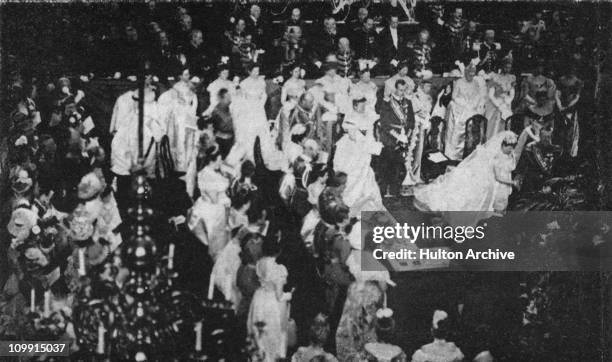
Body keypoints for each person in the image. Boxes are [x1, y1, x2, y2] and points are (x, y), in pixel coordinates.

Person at [414, 130, 528, 226]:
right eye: (510, 148)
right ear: (503, 145)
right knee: (472, 197)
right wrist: (512, 182)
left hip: (488, 177)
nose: (511, 151)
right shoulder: (496, 158)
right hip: (487, 179)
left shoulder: (502, 155)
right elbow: (498, 177)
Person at [333, 105, 383, 216]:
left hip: (363, 170)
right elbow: (339, 164)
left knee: (367, 190)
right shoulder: (343, 143)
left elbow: (371, 148)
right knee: (353, 193)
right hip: (351, 173)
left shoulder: (361, 138)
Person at [158, 66, 199, 196]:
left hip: (188, 128)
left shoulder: (191, 92)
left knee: (188, 156)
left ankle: (188, 189)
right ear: (180, 76)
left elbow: (192, 110)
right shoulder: (171, 93)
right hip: (177, 128)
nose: (188, 77)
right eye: (185, 75)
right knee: (177, 154)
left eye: (188, 74)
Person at [188, 146, 231, 259]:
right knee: (216, 241)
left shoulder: (211, 171)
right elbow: (214, 199)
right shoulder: (207, 175)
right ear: (214, 160)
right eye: (219, 160)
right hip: (212, 209)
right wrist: (227, 200)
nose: (221, 162)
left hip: (214, 207)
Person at [247, 256, 293, 362]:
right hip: (274, 304)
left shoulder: (257, 294)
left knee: (260, 334)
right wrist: (290, 295)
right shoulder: (278, 272)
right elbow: (281, 328)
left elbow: (252, 322)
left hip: (262, 300)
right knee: (276, 333)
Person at [378, 79, 414, 197]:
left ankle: (395, 189)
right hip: (390, 137)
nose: (401, 93)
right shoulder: (387, 103)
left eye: (404, 90)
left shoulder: (408, 102)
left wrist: (406, 136)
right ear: (395, 89)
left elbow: (411, 122)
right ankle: (383, 190)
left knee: (399, 166)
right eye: (399, 90)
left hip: (404, 137)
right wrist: (397, 136)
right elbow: (384, 123)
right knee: (387, 165)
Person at [444, 59, 486, 161]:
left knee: (477, 119)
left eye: (473, 74)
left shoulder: (475, 82)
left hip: (472, 106)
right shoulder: (458, 82)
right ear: (466, 73)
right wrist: (464, 104)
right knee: (460, 121)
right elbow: (454, 96)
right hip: (460, 106)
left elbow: (478, 95)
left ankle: (471, 151)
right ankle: (455, 154)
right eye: (469, 74)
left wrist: (473, 104)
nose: (471, 76)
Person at [231, 62, 273, 161]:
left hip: (259, 109)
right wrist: (248, 107)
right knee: (250, 133)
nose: (256, 73)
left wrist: (261, 104)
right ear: (249, 71)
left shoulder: (261, 82)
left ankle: (264, 156)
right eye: (254, 71)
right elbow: (241, 99)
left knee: (263, 132)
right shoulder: (244, 83)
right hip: (249, 110)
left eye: (258, 71)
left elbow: (264, 95)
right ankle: (250, 157)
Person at [335, 281, 384, 361]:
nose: (374, 309)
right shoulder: (346, 330)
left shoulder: (368, 321)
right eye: (371, 305)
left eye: (375, 305)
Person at [555, 67, 583, 157]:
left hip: (572, 109)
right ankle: (561, 152)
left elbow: (577, 97)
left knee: (572, 131)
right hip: (561, 109)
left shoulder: (577, 81)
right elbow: (557, 94)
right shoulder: (561, 80)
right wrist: (560, 106)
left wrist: (568, 106)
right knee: (561, 130)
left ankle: (571, 153)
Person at [484, 58, 516, 139]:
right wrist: (499, 105)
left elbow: (512, 92)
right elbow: (491, 95)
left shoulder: (512, 78)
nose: (507, 69)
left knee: (506, 118)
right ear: (502, 66)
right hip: (496, 102)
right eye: (506, 67)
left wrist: (508, 101)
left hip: (506, 102)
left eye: (509, 68)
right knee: (496, 120)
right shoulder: (495, 77)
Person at [209, 88, 235, 158]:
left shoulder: (226, 107)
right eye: (228, 96)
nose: (230, 98)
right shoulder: (218, 110)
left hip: (228, 139)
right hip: (222, 141)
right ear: (222, 98)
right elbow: (228, 122)